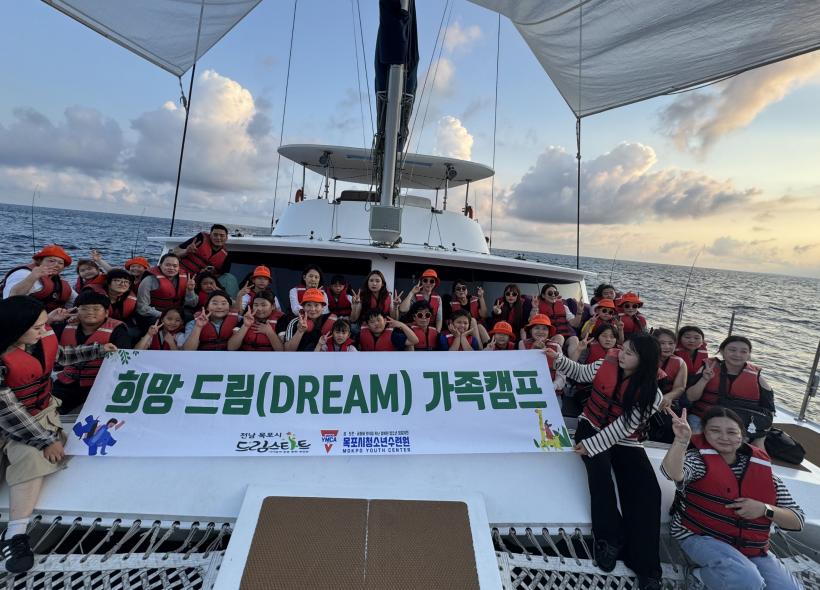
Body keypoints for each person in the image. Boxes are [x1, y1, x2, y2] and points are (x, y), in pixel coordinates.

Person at [0, 296, 115, 573]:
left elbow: (60, 356)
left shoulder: (37, 341)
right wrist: (46, 439)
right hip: (13, 418)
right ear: (15, 328)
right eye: (37, 327)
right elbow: (8, 410)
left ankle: (15, 534)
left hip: (38, 414)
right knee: (36, 449)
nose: (44, 331)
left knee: (32, 458)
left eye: (44, 325)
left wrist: (97, 350)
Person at [547, 335, 664, 589]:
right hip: (590, 425)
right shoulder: (604, 364)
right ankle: (609, 539)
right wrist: (558, 359)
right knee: (599, 474)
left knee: (648, 490)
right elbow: (580, 373)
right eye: (624, 349)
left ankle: (647, 567)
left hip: (625, 440)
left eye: (630, 353)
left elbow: (625, 427)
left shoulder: (653, 395)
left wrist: (593, 445)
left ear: (644, 361)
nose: (622, 355)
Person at [661, 406, 803, 590]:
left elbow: (797, 520)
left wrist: (764, 509)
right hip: (699, 536)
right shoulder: (698, 461)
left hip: (749, 546)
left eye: (731, 432)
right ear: (704, 434)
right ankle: (698, 576)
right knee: (747, 580)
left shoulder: (764, 472)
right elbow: (672, 473)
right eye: (715, 431)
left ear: (741, 436)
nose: (724, 437)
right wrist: (681, 441)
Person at [685, 336, 774, 448]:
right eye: (732, 350)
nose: (737, 354)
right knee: (697, 442)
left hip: (739, 423)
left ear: (749, 355)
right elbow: (690, 397)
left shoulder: (758, 378)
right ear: (722, 351)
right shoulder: (707, 369)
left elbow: (769, 411)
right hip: (702, 417)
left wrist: (760, 437)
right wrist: (704, 379)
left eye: (743, 351)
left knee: (735, 447)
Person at [51, 290, 131, 414]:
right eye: (84, 309)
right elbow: (41, 341)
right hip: (67, 382)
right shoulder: (62, 327)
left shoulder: (118, 331)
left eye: (96, 309)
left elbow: (122, 362)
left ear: (106, 313)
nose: (90, 312)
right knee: (49, 409)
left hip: (100, 384)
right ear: (76, 311)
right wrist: (50, 320)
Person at [1, 245, 75, 311]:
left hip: (47, 319)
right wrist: (33, 277)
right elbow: (10, 300)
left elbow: (74, 301)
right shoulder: (23, 273)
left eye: (60, 263)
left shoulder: (60, 282)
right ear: (39, 261)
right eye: (51, 261)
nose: (56, 265)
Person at [646, 328, 688, 443]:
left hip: (666, 401)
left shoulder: (680, 363)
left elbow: (680, 387)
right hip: (645, 398)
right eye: (662, 343)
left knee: (669, 425)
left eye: (671, 343)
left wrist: (668, 397)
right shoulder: (644, 358)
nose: (667, 347)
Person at [136, 253, 197, 328]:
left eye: (175, 266)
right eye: (167, 265)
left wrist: (190, 291)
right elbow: (142, 307)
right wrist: (164, 315)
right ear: (160, 265)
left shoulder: (185, 279)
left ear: (179, 267)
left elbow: (191, 305)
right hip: (155, 314)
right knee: (160, 325)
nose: (171, 268)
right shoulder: (148, 281)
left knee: (190, 318)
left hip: (176, 313)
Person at [520, 314, 565, 396]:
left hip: (553, 392)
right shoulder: (522, 343)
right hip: (529, 389)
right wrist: (533, 349)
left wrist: (553, 386)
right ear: (531, 330)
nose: (540, 332)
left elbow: (561, 374)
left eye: (544, 329)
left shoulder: (556, 346)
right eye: (537, 328)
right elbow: (522, 368)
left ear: (548, 332)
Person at [531, 284, 581, 352]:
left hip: (566, 335)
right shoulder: (538, 307)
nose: (553, 295)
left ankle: (572, 359)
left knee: (575, 339)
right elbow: (532, 321)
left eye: (556, 293)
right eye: (550, 293)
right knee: (560, 337)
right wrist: (535, 308)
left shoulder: (564, 307)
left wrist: (579, 312)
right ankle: (555, 358)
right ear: (543, 295)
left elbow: (574, 324)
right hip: (549, 336)